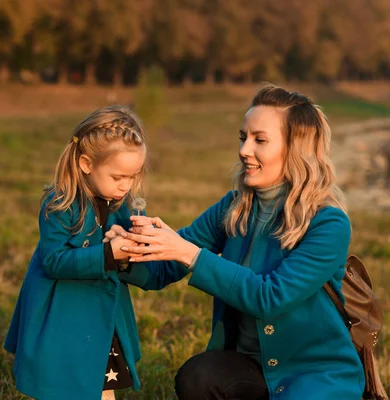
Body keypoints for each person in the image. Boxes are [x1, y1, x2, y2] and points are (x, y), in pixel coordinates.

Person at [108, 85, 365, 399]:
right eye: (244, 137)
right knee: (198, 376)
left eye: (260, 139)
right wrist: (126, 252)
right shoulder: (234, 207)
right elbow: (163, 269)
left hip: (314, 373)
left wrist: (189, 252)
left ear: (296, 149)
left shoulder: (329, 224)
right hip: (249, 368)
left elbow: (270, 297)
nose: (244, 149)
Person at [3, 105, 184, 400]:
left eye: (132, 176)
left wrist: (136, 243)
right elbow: (54, 261)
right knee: (61, 383)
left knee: (102, 388)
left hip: (102, 318)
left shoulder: (124, 206)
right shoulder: (60, 202)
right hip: (62, 317)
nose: (125, 186)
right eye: (117, 177)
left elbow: (138, 265)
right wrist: (108, 254)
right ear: (87, 164)